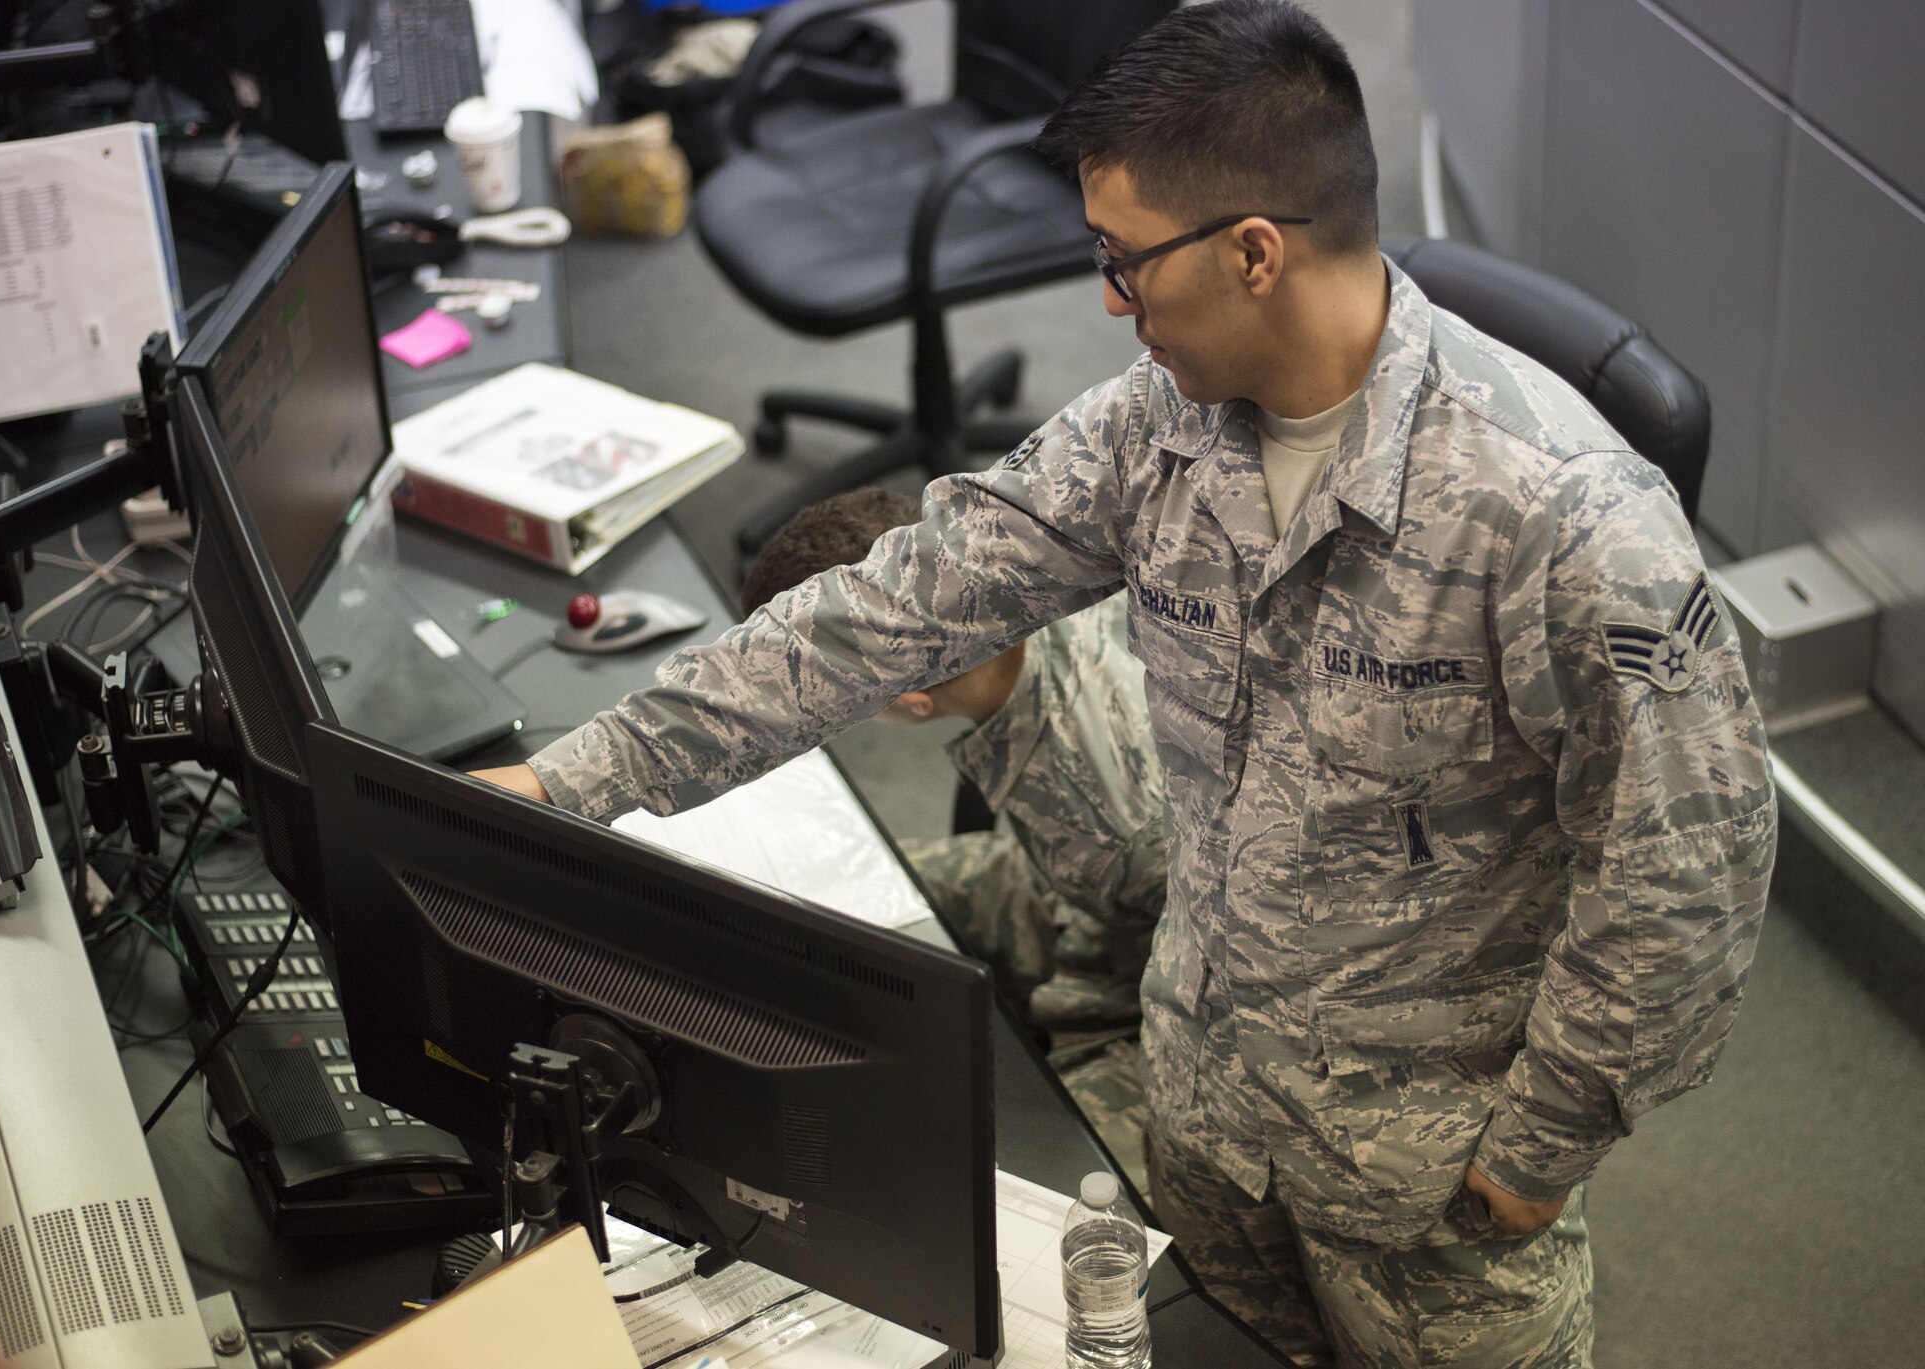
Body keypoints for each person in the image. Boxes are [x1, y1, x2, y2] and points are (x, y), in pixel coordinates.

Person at [475, 3, 1776, 1363]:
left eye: (1124, 260)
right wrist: (572, 781)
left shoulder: (1561, 519)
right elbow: (882, 611)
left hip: (1432, 1196)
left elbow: (1687, 866)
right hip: (1207, 1114)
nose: (1109, 298)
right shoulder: (1159, 433)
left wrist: (1551, 1133)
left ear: (1256, 253)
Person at [742, 488, 1164, 1169]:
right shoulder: (1035, 568)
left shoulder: (1117, 815)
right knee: (817, 896)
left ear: (906, 698)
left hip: (1148, 994)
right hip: (1079, 891)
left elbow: (1214, 1006)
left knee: (1014, 1181)